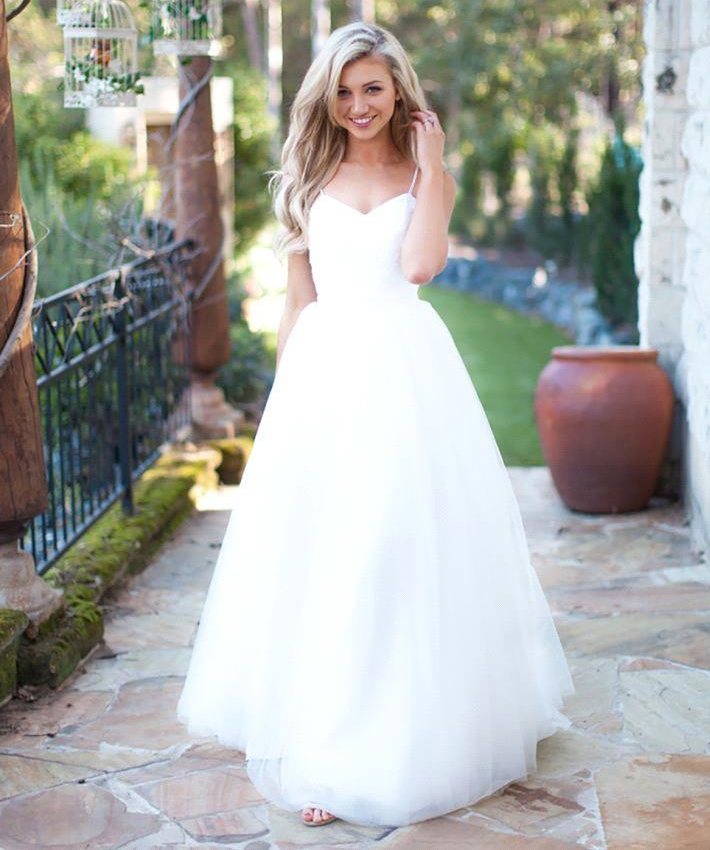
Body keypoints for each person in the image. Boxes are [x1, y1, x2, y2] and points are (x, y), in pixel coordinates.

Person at [177, 20, 575, 830]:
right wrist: (284, 408)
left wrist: (431, 172)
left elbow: (422, 268)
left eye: (373, 88)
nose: (359, 104)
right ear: (327, 97)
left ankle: (405, 734)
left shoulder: (429, 174)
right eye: (345, 90)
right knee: (329, 557)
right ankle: (323, 749)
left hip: (404, 372)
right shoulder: (304, 176)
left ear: (398, 92)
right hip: (324, 380)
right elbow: (298, 301)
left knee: (394, 546)